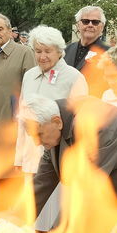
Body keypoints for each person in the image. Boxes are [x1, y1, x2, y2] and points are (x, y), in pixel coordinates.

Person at [21, 95, 117, 218]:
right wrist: (15, 223)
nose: (36, 142)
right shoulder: (52, 122)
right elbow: (42, 182)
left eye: (39, 135)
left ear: (57, 122)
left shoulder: (96, 124)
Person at [0, 12, 36, 209]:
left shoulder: (24, 53)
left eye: (0, 29)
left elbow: (31, 88)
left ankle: (13, 205)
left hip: (12, 119)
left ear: (10, 31)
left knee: (12, 163)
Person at [14, 25, 87, 178]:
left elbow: (80, 125)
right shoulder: (29, 76)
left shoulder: (74, 78)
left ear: (60, 52)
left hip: (57, 163)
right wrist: (19, 159)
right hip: (29, 159)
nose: (42, 56)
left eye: (48, 51)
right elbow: (22, 120)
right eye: (38, 51)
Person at [64, 5, 111, 93]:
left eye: (95, 22)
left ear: (102, 27)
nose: (90, 25)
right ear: (78, 25)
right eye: (85, 21)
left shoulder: (109, 54)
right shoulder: (67, 50)